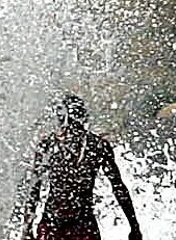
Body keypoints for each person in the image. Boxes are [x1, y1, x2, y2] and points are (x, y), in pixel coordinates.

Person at [16, 94, 142, 240]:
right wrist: (134, 226)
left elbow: (34, 190)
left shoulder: (49, 145)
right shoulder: (97, 146)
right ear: (83, 117)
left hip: (55, 226)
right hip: (79, 226)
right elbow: (119, 188)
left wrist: (27, 228)